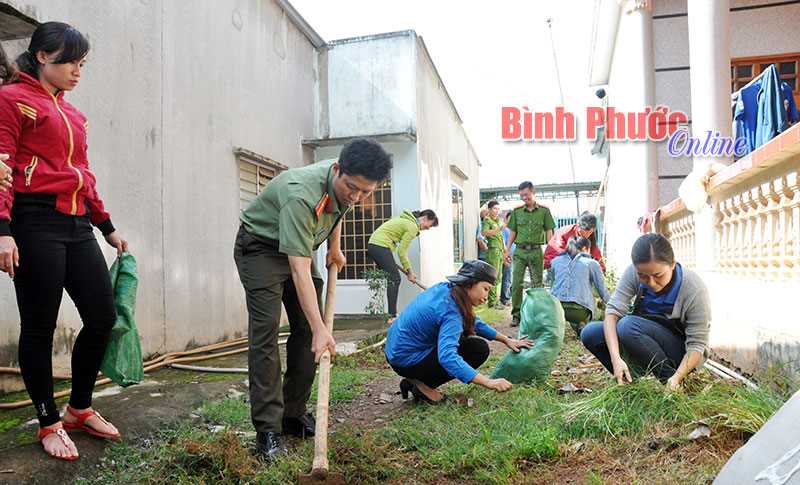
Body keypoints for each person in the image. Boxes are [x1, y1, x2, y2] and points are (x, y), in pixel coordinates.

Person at [0, 22, 129, 461]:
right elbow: (1, 166)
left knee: (102, 316)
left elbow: (83, 175)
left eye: (82, 63)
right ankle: (48, 421)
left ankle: (78, 408)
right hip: (33, 222)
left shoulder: (73, 115)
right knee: (40, 324)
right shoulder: (12, 100)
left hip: (77, 226)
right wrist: (2, 230)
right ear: (42, 57)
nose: (77, 70)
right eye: (70, 61)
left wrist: (106, 225)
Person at [234, 138, 392, 460]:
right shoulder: (300, 195)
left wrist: (334, 247)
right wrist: (323, 328)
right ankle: (268, 430)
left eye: (366, 192)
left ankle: (292, 414)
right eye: (352, 187)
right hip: (261, 248)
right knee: (266, 335)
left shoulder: (349, 182)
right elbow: (299, 269)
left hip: (299, 247)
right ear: (337, 170)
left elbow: (339, 207)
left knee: (307, 333)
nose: (357, 196)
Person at [384, 260, 531, 403]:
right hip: (405, 360)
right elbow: (447, 356)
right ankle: (424, 387)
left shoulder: (446, 289)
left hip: (396, 353)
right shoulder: (451, 311)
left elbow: (473, 321)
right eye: (486, 289)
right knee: (478, 350)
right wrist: (488, 382)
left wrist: (506, 340)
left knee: (469, 341)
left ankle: (415, 382)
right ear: (469, 284)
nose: (487, 297)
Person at [580, 234, 710, 390]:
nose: (652, 283)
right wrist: (615, 359)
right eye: (643, 276)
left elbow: (697, 344)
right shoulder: (633, 273)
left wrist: (677, 377)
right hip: (643, 339)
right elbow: (612, 313)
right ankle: (629, 381)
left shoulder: (694, 288)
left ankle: (674, 384)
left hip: (680, 353)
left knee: (627, 326)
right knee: (590, 332)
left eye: (658, 275)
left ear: (672, 264)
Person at [367, 209, 438, 319]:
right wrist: (410, 271)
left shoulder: (406, 221)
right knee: (395, 279)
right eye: (430, 225)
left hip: (375, 245)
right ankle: (392, 316)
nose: (428, 228)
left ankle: (392, 313)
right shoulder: (412, 227)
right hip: (380, 246)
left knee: (391, 278)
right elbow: (402, 252)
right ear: (424, 218)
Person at [505, 181, 555, 326]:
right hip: (520, 251)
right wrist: (507, 250)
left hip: (536, 251)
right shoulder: (517, 211)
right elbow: (513, 232)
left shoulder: (544, 211)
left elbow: (549, 232)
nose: (524, 198)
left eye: (526, 195)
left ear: (533, 192)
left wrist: (550, 252)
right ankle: (516, 315)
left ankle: (537, 314)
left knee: (537, 284)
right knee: (516, 283)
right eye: (521, 196)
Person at [550, 236, 610, 337]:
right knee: (594, 303)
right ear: (585, 249)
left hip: (556, 309)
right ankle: (584, 326)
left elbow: (553, 285)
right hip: (580, 312)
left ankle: (566, 326)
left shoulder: (555, 261)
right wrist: (614, 306)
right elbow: (603, 293)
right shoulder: (591, 263)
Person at [480, 200, 505, 309]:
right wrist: (498, 229)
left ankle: (495, 300)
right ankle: (492, 302)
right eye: (495, 208)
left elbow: (501, 237)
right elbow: (484, 233)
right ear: (489, 210)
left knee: (499, 277)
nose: (497, 211)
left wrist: (505, 250)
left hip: (499, 250)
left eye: (498, 209)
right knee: (493, 276)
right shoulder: (487, 220)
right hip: (493, 250)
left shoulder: (498, 221)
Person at [500, 211, 514, 306]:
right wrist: (505, 257)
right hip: (507, 256)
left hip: (515, 256)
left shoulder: (515, 230)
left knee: (512, 278)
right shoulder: (504, 230)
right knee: (507, 278)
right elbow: (503, 244)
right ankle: (505, 298)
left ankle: (508, 297)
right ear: (506, 219)